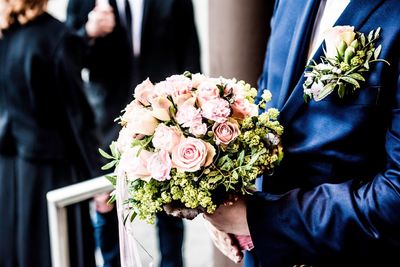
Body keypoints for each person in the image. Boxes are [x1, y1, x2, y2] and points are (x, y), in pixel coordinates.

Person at [204, 0, 400, 266]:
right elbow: (268, 102)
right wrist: (226, 202)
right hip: (265, 254)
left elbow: (395, 197)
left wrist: (262, 219)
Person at [65, 1, 201, 267]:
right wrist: (89, 32)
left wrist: (189, 117)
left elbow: (190, 55)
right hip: (106, 122)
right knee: (108, 207)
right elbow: (68, 57)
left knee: (171, 208)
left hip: (164, 119)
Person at [0, 0, 101, 267]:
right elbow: (77, 118)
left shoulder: (5, 34)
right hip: (52, 171)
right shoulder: (56, 36)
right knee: (57, 252)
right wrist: (98, 178)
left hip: (9, 171)